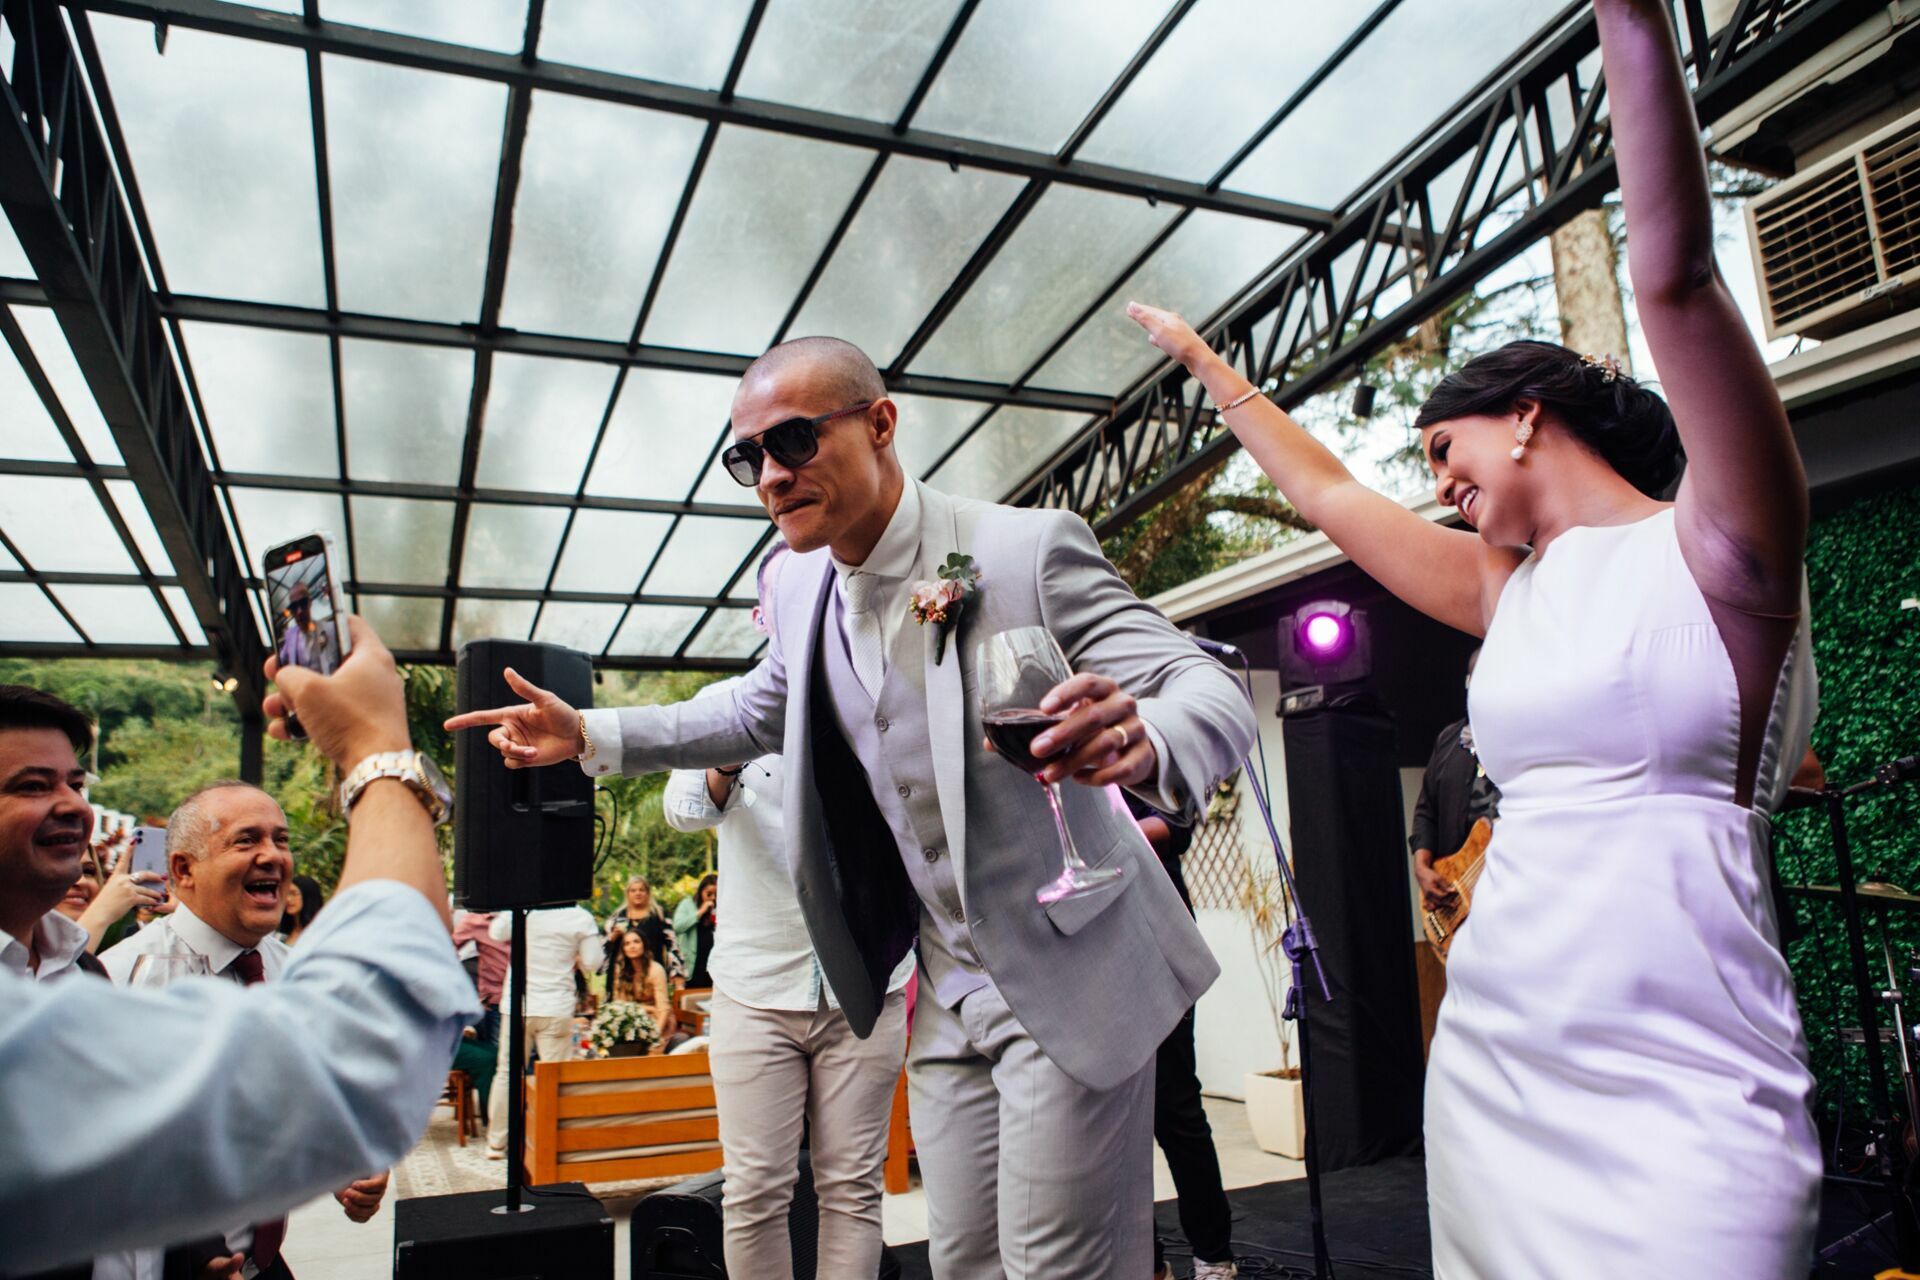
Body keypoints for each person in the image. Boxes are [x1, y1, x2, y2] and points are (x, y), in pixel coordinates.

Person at [1126, 4, 1819, 1271]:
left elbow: (1672, 274)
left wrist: (1627, 18)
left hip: (1696, 1065)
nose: (1436, 480)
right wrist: (1213, 370)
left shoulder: (1725, 548)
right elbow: (1330, 495)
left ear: (1527, 415)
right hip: (1504, 1056)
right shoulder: (1510, 593)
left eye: (1444, 448)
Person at [449, 335, 1255, 1278]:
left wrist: (1146, 741)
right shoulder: (794, 582)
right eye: (746, 459)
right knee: (961, 1264)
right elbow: (756, 709)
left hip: (1066, 964)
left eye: (791, 441)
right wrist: (589, 733)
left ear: (880, 424)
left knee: (1057, 1266)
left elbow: (1210, 692)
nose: (769, 478)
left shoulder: (1023, 547)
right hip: (941, 988)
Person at [0, 621, 478, 1276]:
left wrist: (333, 1161)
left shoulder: (74, 970)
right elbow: (354, 1063)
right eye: (31, 786)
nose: (72, 808)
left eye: (76, 785)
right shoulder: (122, 972)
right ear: (182, 873)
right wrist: (377, 754)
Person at [663, 543, 916, 1278]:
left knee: (852, 1189)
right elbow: (682, 810)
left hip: (869, 985)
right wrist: (728, 754)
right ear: (763, 615)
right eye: (792, 594)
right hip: (754, 990)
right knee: (755, 1191)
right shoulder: (726, 706)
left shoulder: (884, 699)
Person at [99, 781, 391, 1280]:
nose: (272, 856)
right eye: (246, 840)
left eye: (281, 839)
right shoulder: (121, 979)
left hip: (264, 1263)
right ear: (182, 870)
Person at [1125, 792, 1237, 1280]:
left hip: (1156, 946)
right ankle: (1144, 1263)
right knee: (1114, 1128)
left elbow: (1176, 825)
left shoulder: (1135, 736)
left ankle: (1213, 1256)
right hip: (1082, 955)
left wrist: (1095, 841)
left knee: (1176, 1112)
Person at [484, 901, 601, 1157]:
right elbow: (593, 962)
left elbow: (496, 932)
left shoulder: (522, 907)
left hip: (517, 1004)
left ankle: (497, 1142)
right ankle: (552, 1141)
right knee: (555, 1077)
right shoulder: (579, 916)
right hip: (556, 1007)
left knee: (507, 1073)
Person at [1408, 650, 1501, 912]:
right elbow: (1426, 812)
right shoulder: (1449, 740)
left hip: (1510, 893)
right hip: (1456, 897)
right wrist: (1422, 867)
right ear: (1468, 683)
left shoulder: (1525, 742)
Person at [57, 837, 168, 954]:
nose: (81, 881)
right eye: (63, 869)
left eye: (88, 871)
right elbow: (63, 970)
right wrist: (100, 912)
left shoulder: (123, 946)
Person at [607, 927, 674, 1054]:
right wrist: (647, 1009)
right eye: (627, 943)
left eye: (636, 942)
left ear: (644, 945)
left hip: (658, 1019)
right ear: (623, 950)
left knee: (651, 1051)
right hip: (634, 1019)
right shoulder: (620, 971)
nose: (632, 946)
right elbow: (619, 1006)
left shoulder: (656, 969)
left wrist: (655, 1037)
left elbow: (663, 1009)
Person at [275, 583, 338, 676]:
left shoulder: (331, 629)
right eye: (294, 606)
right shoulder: (290, 636)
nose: (299, 611)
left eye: (303, 603)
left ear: (310, 602)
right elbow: (280, 660)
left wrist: (334, 600)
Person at [672, 872, 718, 991]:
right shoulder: (687, 904)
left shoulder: (721, 907)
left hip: (715, 967)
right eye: (709, 894)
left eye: (716, 894)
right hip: (693, 965)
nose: (713, 898)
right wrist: (700, 912)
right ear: (701, 891)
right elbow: (677, 927)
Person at [278, 872, 325, 946]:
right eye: (287, 894)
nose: (288, 899)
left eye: (293, 893)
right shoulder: (281, 930)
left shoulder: (320, 930)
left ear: (307, 896)